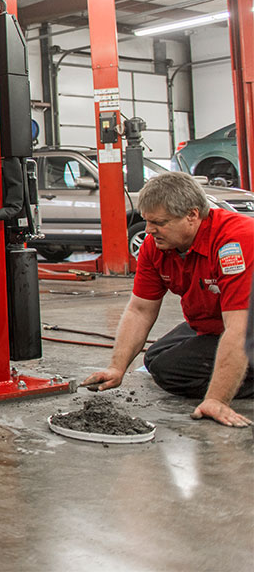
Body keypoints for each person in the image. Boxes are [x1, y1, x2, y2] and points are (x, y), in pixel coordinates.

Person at [83, 172, 253, 427]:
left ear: (192, 215)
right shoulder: (155, 247)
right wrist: (117, 368)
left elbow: (240, 330)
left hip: (245, 325)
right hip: (214, 320)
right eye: (147, 221)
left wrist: (216, 399)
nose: (149, 230)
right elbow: (140, 310)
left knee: (170, 371)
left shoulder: (236, 242)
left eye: (159, 222)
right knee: (155, 358)